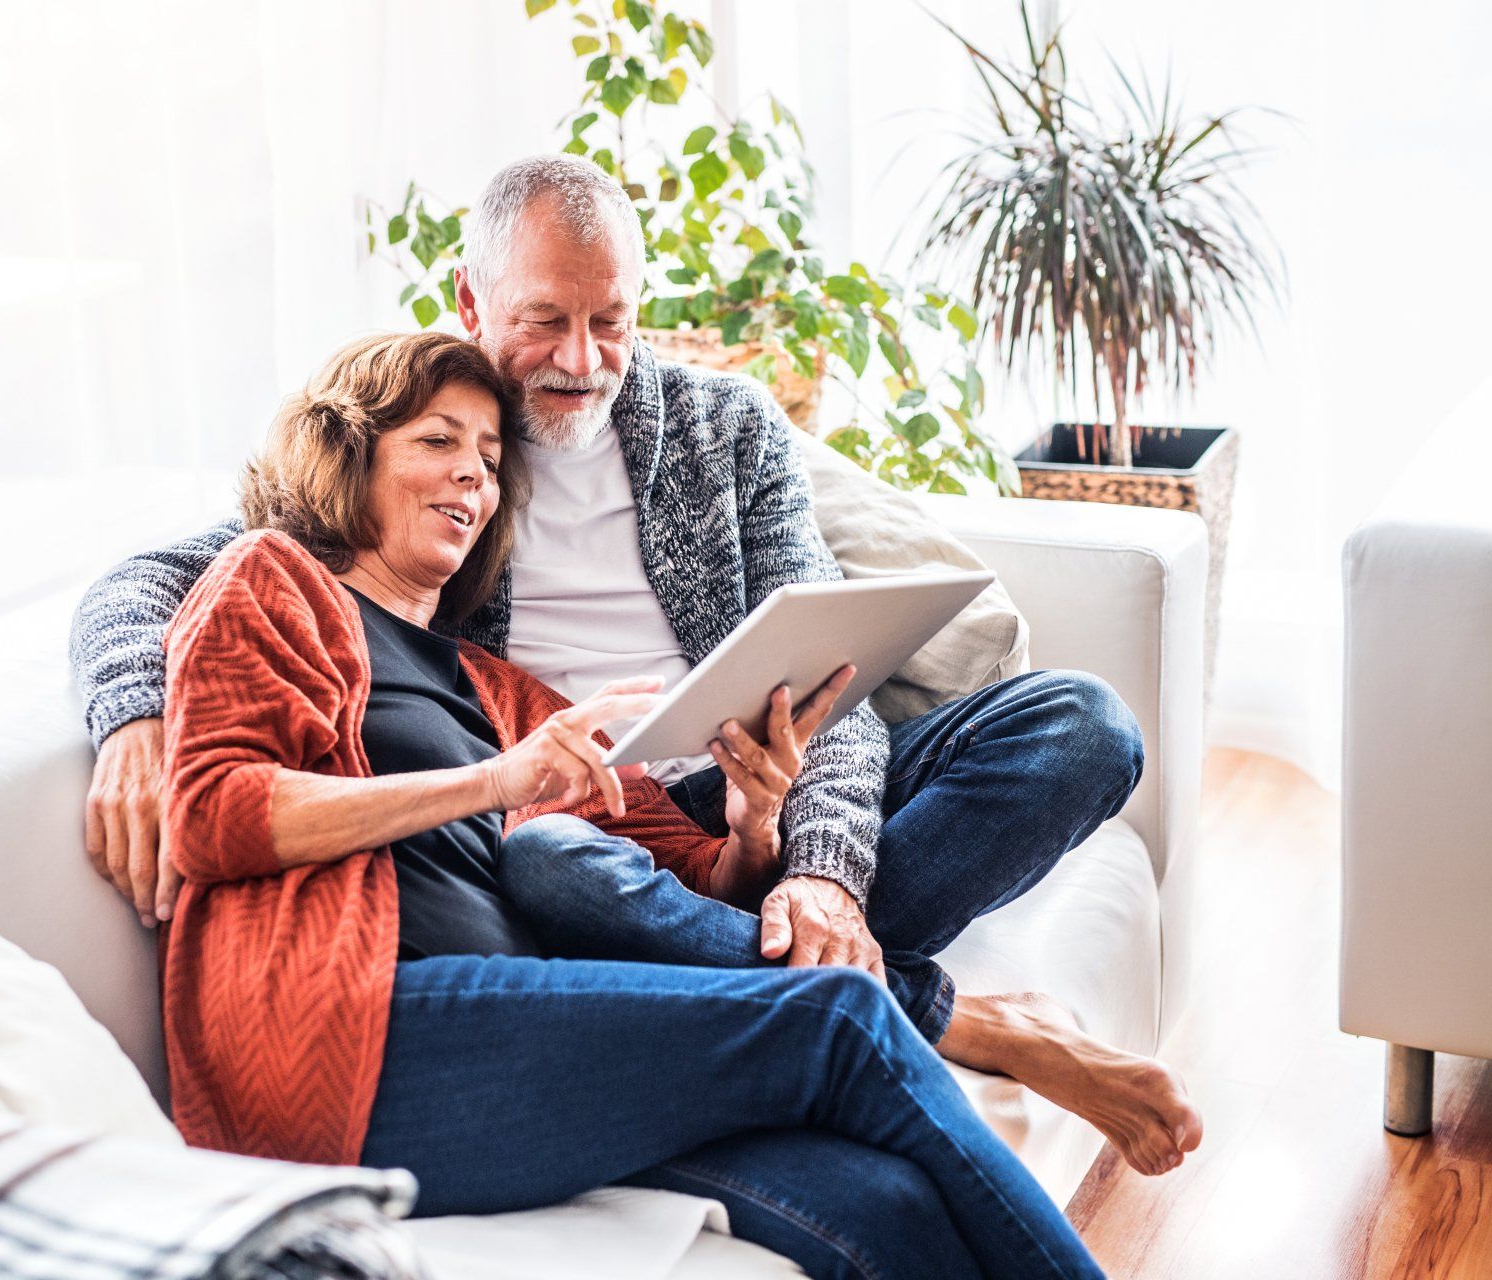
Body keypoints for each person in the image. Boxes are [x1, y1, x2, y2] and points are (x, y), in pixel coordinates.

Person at [70, 153, 1202, 1180]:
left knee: (1081, 727)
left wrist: (819, 864)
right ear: (471, 302)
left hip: (752, 775)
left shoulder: (725, 429)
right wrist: (133, 719)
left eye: (610, 321)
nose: (581, 359)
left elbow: (836, 682)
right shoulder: (425, 444)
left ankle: (779, 960)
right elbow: (156, 579)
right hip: (586, 815)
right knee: (558, 866)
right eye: (545, 320)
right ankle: (935, 1013)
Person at [158, 326, 1104, 1279]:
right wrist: (495, 782)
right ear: (347, 450)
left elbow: (696, 880)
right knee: (841, 1020)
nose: (471, 480)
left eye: (489, 460)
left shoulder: (499, 689)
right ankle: (938, 1015)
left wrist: (751, 827)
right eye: (437, 443)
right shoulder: (272, 584)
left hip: (539, 1034)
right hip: (354, 1038)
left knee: (881, 1207)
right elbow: (211, 814)